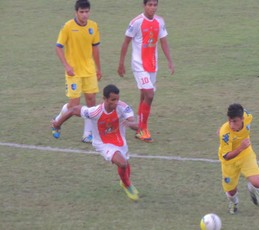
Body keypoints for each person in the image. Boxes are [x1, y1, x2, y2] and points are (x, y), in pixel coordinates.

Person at [51, 84, 140, 201]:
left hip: (119, 139)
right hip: (103, 143)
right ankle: (128, 185)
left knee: (125, 163)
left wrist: (130, 124)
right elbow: (73, 110)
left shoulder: (122, 107)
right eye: (113, 100)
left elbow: (136, 125)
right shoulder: (95, 112)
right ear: (105, 99)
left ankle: (124, 182)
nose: (116, 102)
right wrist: (57, 124)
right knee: (122, 163)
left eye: (117, 99)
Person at [118, 0, 175, 143]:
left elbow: (163, 42)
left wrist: (169, 61)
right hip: (139, 65)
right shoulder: (136, 22)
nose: (152, 8)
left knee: (144, 95)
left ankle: (140, 127)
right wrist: (121, 63)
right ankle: (142, 129)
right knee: (149, 94)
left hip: (152, 65)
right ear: (144, 6)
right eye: (150, 5)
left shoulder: (160, 22)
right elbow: (126, 42)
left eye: (155, 5)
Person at [52, 0, 102, 143]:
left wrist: (98, 68)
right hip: (73, 71)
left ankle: (87, 134)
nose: (85, 15)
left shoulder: (94, 26)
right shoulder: (68, 27)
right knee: (74, 104)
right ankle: (57, 121)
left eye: (87, 12)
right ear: (76, 12)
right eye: (82, 12)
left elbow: (96, 48)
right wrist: (66, 65)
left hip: (89, 70)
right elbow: (58, 47)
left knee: (91, 102)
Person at [218, 103, 259, 214]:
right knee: (231, 191)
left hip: (245, 154)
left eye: (235, 121)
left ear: (242, 118)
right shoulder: (225, 134)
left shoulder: (248, 117)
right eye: (229, 121)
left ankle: (252, 190)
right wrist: (240, 148)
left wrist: (243, 149)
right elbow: (226, 156)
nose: (232, 125)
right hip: (229, 161)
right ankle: (234, 202)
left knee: (257, 183)